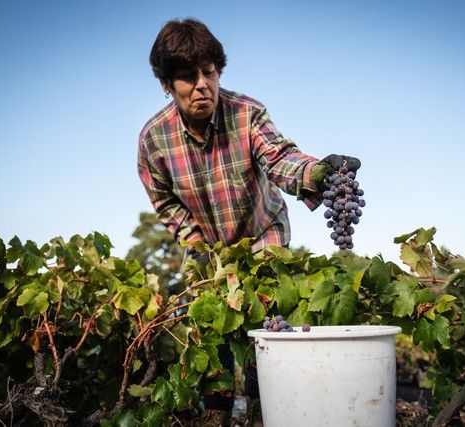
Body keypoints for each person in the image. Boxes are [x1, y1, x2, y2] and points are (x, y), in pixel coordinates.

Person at [138, 18, 360, 427]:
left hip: (264, 239)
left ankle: (267, 416)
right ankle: (215, 418)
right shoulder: (154, 139)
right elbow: (165, 202)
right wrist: (198, 245)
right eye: (188, 77)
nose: (202, 84)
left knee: (269, 339)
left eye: (209, 72)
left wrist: (317, 173)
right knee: (211, 344)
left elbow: (280, 159)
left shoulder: (247, 114)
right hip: (210, 256)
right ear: (167, 84)